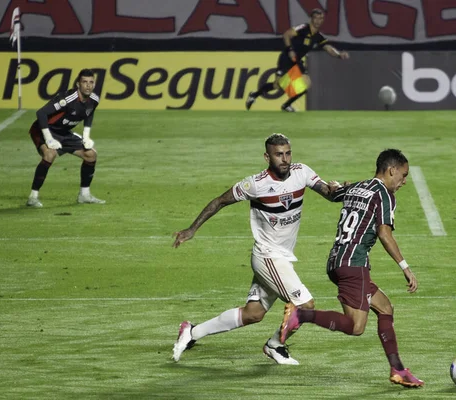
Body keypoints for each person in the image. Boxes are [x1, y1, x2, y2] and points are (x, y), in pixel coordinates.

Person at [172, 133, 340, 365]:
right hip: (267, 256)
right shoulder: (256, 184)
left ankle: (191, 332)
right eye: (278, 154)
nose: (285, 159)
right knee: (305, 305)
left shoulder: (301, 172)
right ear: (267, 157)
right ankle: (275, 345)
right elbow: (219, 201)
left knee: (253, 314)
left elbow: (329, 194)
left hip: (281, 258)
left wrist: (339, 189)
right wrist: (192, 229)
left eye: (288, 153)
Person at [279, 149, 424, 387]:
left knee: (385, 308)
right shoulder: (384, 195)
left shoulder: (358, 186)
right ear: (391, 170)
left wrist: (336, 184)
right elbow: (384, 233)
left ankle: (398, 369)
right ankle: (300, 314)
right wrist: (405, 267)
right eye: (403, 175)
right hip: (354, 264)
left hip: (337, 260)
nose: (404, 181)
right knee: (356, 327)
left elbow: (334, 192)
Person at [26, 68, 104, 207]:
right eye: (84, 82)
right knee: (50, 154)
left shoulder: (94, 99)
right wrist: (49, 139)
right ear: (78, 84)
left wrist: (86, 136)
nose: (88, 85)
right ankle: (33, 197)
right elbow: (41, 113)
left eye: (91, 82)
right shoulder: (67, 99)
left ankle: (84, 195)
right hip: (43, 130)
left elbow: (89, 112)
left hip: (63, 133)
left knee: (91, 154)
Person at [245, 8, 349, 112]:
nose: (318, 21)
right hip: (286, 58)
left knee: (306, 84)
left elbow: (328, 48)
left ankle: (286, 105)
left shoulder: (318, 36)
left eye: (320, 18)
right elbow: (286, 34)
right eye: (316, 18)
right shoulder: (303, 28)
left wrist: (339, 54)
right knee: (277, 85)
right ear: (311, 18)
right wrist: (290, 50)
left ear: (323, 20)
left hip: (297, 61)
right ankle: (254, 95)